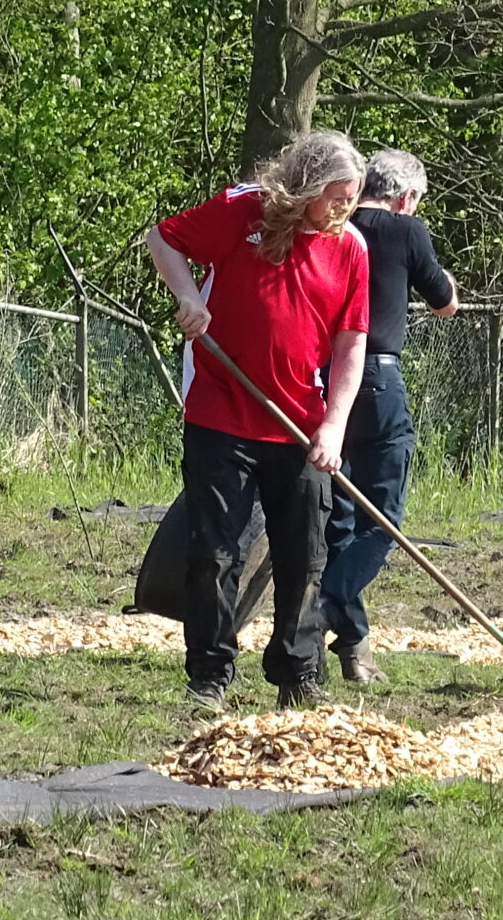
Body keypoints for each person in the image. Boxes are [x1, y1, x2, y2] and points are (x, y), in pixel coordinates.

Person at [146, 132, 370, 712]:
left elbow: (351, 344)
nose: (345, 208)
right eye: (336, 196)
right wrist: (190, 297)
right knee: (215, 551)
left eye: (353, 197)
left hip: (300, 423)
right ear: (306, 187)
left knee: (305, 555)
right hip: (222, 413)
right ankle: (210, 675)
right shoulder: (243, 212)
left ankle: (298, 672)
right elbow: (163, 239)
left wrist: (334, 425)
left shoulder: (351, 248)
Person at [317, 148, 458, 683]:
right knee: (384, 521)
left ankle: (354, 650)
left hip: (325, 379)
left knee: (341, 519)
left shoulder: (333, 225)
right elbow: (443, 300)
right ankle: (321, 611)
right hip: (375, 378)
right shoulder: (406, 231)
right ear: (407, 197)